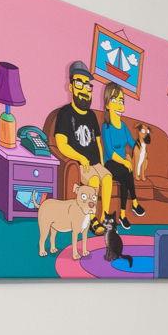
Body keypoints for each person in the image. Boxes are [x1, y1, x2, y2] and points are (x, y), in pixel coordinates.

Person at [47, 62, 106, 230]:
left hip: (96, 163)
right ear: (71, 87)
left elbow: (99, 142)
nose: (84, 88)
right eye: (79, 83)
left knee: (106, 178)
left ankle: (105, 217)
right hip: (82, 164)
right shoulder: (65, 113)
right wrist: (80, 157)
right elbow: (60, 143)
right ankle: (92, 220)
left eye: (88, 85)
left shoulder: (92, 116)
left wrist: (102, 162)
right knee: (94, 179)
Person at [98, 83, 145, 226]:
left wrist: (141, 147)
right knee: (126, 171)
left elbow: (131, 142)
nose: (119, 105)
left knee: (126, 174)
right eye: (115, 100)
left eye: (121, 101)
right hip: (110, 163)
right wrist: (125, 161)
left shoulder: (123, 126)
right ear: (107, 105)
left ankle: (123, 214)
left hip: (123, 163)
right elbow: (110, 152)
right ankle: (134, 203)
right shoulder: (106, 127)